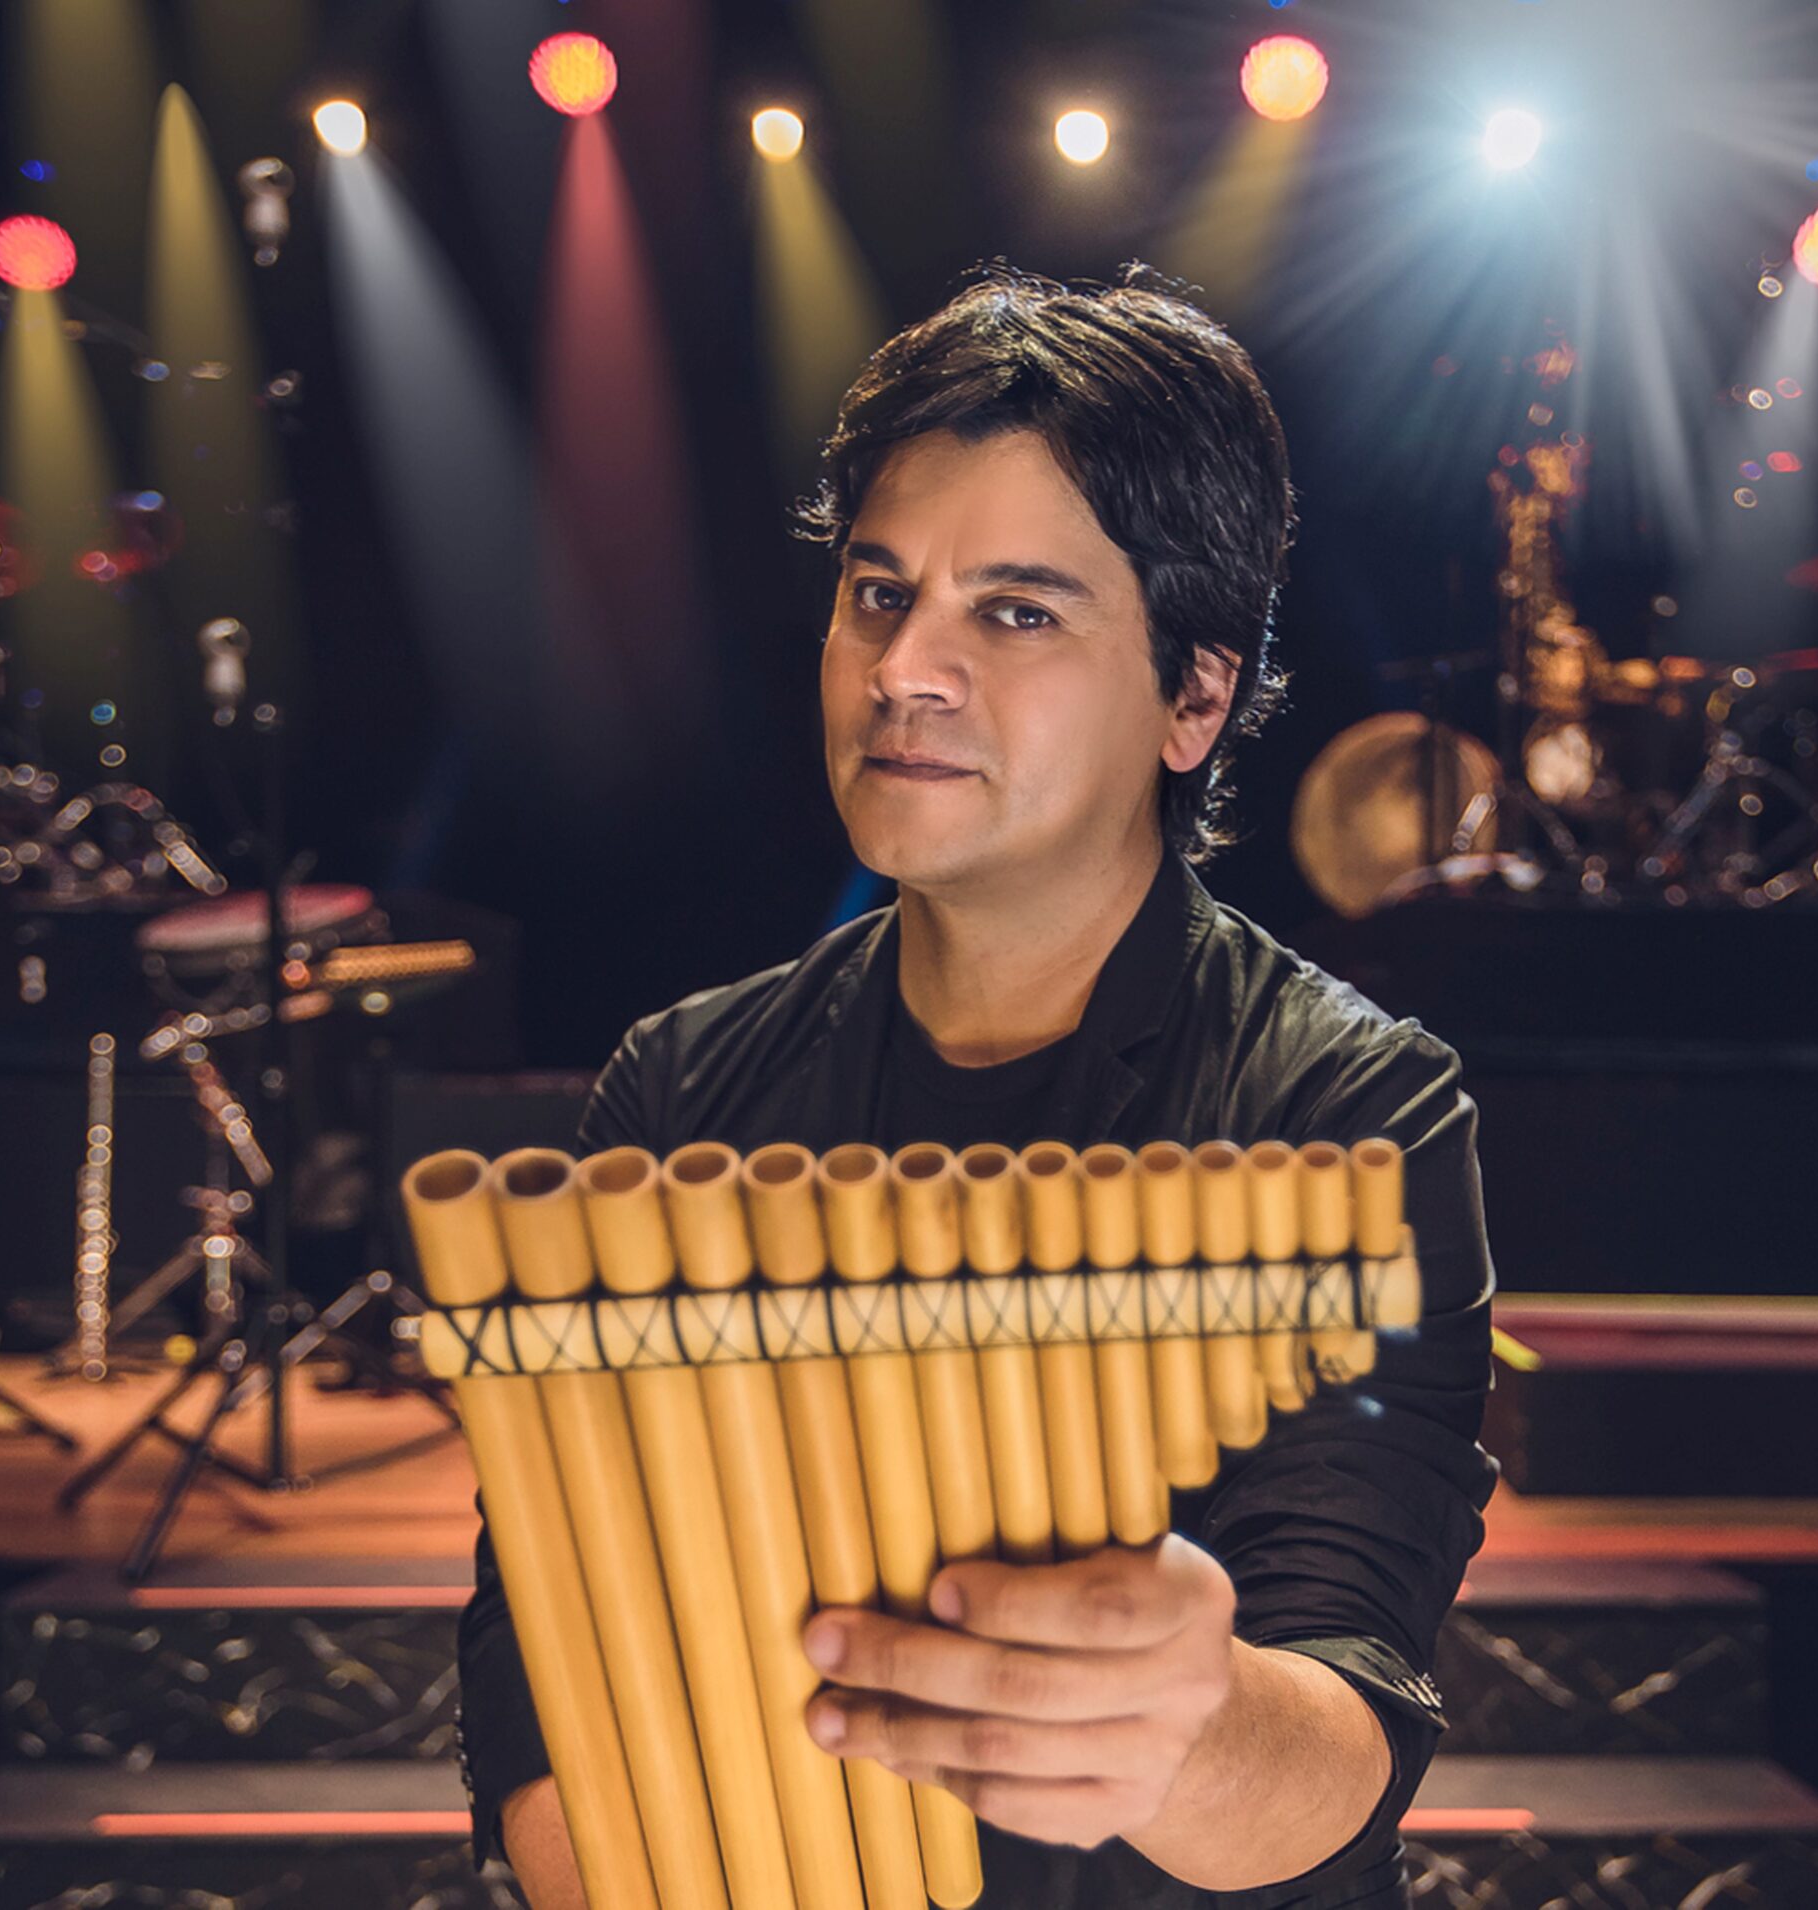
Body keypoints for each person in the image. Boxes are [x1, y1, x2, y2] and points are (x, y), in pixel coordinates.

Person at [455, 261, 1499, 1908]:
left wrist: (1187, 1721)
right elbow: (546, 1660)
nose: (905, 669)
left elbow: (1341, 1726)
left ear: (1196, 694)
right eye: (880, 593)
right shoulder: (679, 1096)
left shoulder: (1351, 1113)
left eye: (1015, 611)